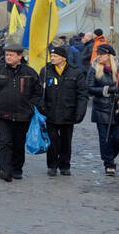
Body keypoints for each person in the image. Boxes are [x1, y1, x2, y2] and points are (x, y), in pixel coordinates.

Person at [0, 40, 42, 182]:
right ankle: (4, 170)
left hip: (23, 114)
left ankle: (17, 168)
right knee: (5, 142)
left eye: (11, 55)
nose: (8, 57)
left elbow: (38, 92)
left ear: (19, 56)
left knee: (18, 143)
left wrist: (31, 105)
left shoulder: (30, 72)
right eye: (7, 55)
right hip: (2, 113)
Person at [36, 44, 88, 176]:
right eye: (51, 56)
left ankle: (65, 165)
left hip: (68, 113)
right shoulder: (46, 71)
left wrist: (80, 112)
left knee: (66, 141)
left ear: (63, 58)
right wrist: (41, 106)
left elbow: (82, 94)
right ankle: (52, 165)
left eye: (55, 56)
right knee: (52, 141)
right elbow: (38, 91)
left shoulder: (75, 72)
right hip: (50, 112)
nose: (52, 58)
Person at [86, 44, 119, 177]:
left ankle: (111, 156)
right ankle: (109, 164)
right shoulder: (94, 68)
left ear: (109, 56)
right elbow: (89, 87)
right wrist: (106, 90)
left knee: (118, 138)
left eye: (101, 54)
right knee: (105, 139)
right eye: (98, 54)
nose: (98, 56)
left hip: (118, 109)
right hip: (101, 109)